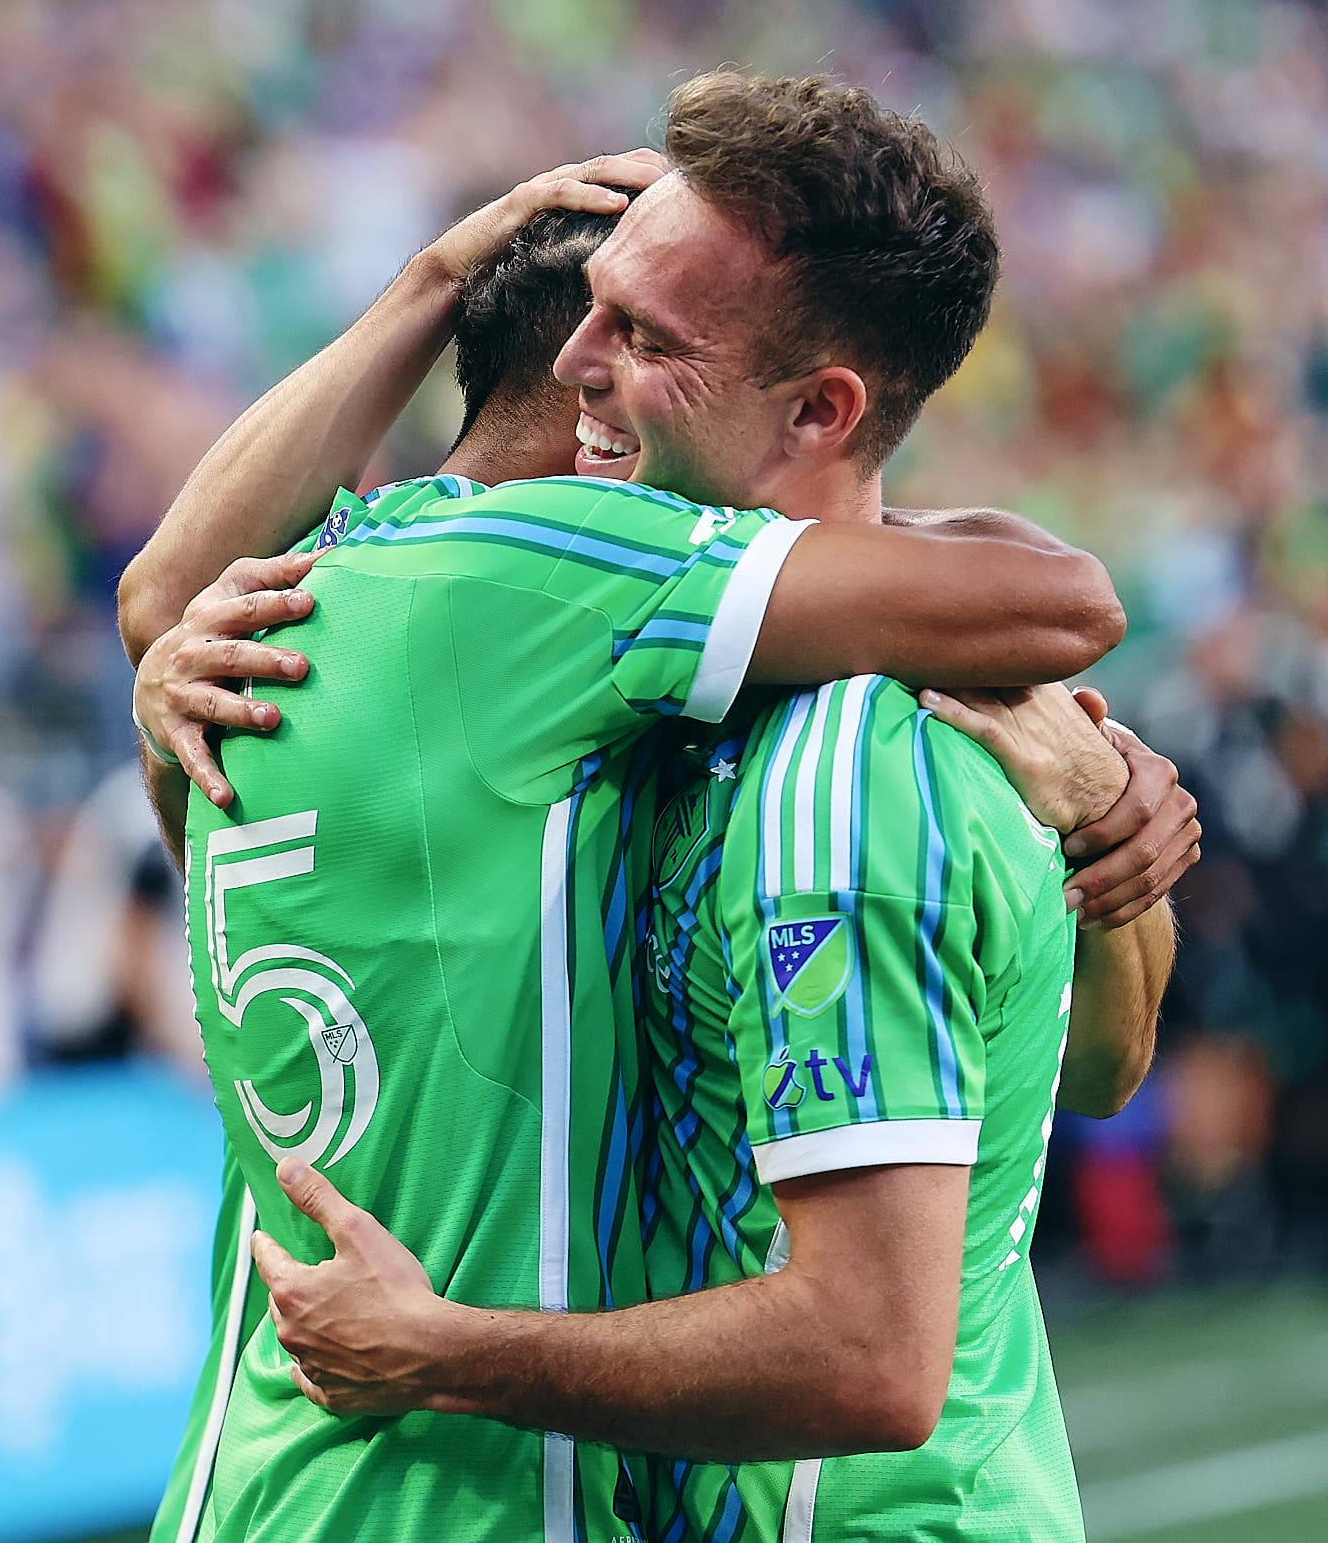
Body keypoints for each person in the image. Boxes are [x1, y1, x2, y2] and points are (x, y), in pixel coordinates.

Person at [124, 79, 1190, 1542]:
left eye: (639, 341)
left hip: (311, 1480)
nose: (591, 373)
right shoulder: (681, 670)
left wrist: (1113, 858)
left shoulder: (307, 641)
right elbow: (1059, 606)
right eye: (590, 328)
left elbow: (1087, 1074)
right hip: (501, 1483)